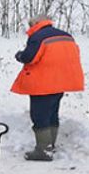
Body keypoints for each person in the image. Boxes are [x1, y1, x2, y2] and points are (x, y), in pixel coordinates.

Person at [11, 16, 84, 161]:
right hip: (62, 81)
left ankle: (43, 150)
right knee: (52, 113)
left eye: (30, 25)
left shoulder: (38, 37)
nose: (29, 29)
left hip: (43, 83)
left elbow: (29, 57)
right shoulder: (66, 35)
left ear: (36, 24)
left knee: (39, 115)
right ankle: (50, 145)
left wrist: (19, 55)